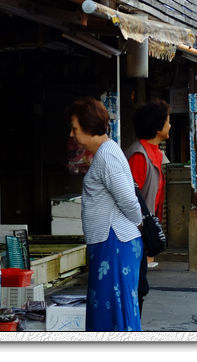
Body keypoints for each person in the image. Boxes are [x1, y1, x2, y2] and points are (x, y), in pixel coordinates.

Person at [69, 97, 143, 332]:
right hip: (109, 243)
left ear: (89, 128)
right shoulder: (106, 153)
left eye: (75, 128)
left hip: (115, 244)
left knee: (114, 315)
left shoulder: (107, 156)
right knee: (109, 312)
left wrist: (136, 223)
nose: (71, 135)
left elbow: (129, 201)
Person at [125, 98, 170, 315]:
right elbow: (130, 198)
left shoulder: (156, 154)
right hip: (134, 233)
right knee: (137, 287)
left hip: (143, 232)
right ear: (157, 126)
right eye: (168, 121)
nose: (170, 125)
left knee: (140, 286)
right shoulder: (138, 155)